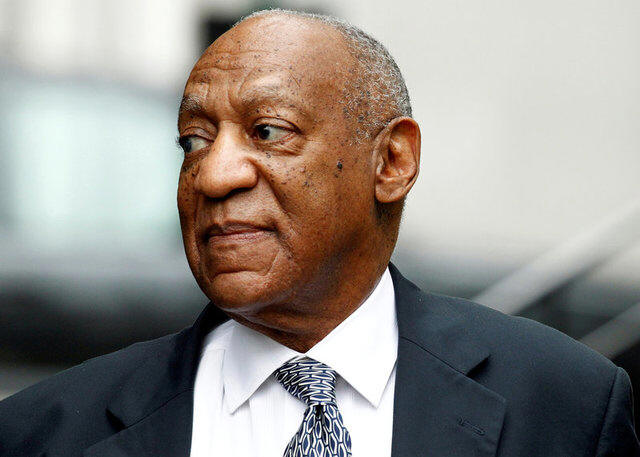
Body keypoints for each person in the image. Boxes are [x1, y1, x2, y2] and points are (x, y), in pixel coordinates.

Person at [0, 8, 638, 457]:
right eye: (194, 140)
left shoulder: (563, 406)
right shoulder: (42, 432)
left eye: (267, 132)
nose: (213, 175)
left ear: (391, 162)